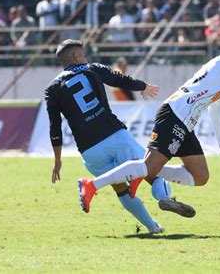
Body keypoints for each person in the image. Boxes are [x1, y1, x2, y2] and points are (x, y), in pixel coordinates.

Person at [77, 30, 220, 213]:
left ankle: (145, 172)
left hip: (185, 123)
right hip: (174, 114)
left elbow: (216, 106)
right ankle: (92, 185)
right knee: (149, 165)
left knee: (200, 177)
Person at [45, 39, 195, 234]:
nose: (85, 57)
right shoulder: (92, 69)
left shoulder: (52, 89)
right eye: (83, 54)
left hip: (89, 150)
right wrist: (142, 86)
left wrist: (57, 160)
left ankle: (152, 227)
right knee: (152, 170)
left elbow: (54, 128)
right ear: (76, 56)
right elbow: (118, 79)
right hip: (114, 136)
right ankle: (164, 199)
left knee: (120, 188)